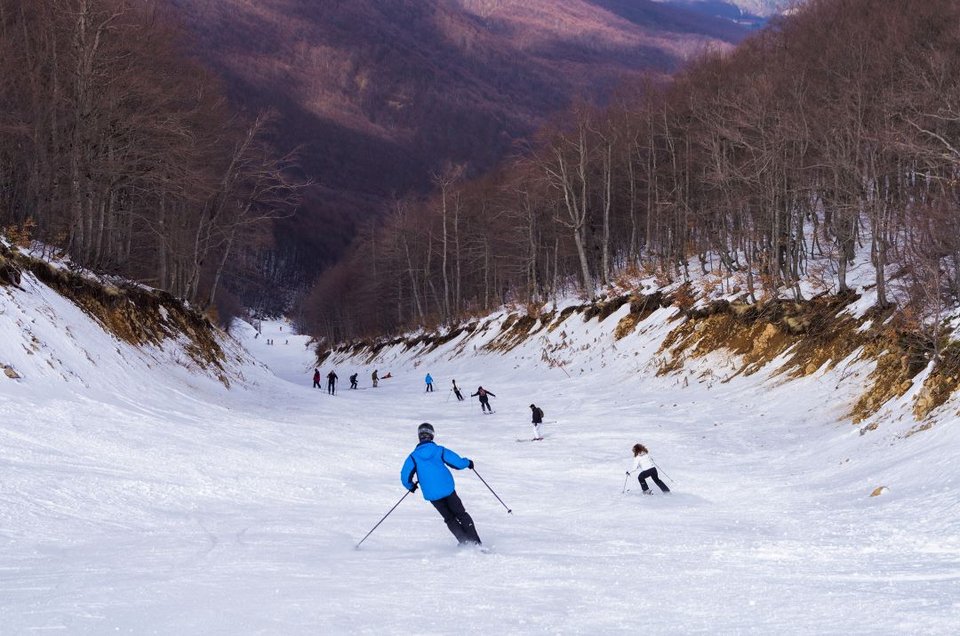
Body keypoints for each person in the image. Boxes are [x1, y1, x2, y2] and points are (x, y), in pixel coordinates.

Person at [400, 423, 482, 546]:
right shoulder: (439, 450)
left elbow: (404, 476)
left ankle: (464, 542)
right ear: (432, 435)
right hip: (447, 489)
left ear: (419, 436)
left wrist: (411, 486)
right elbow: (457, 463)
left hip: (432, 494)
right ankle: (475, 542)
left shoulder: (413, 457)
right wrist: (468, 463)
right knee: (461, 514)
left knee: (449, 518)